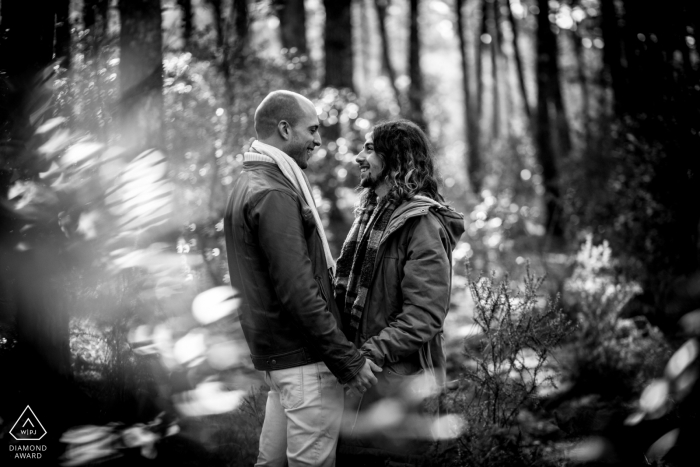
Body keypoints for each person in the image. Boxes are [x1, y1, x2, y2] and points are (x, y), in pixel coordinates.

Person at [223, 90, 381, 467]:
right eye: (311, 129)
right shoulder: (274, 192)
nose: (317, 139)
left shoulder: (249, 182)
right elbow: (298, 290)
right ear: (283, 128)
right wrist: (347, 360)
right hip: (305, 364)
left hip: (281, 360)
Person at [334, 120, 465, 465]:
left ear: (395, 159)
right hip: (359, 380)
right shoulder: (370, 215)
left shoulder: (421, 223)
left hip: (394, 386)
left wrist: (368, 356)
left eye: (368, 148)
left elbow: (425, 314)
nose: (358, 157)